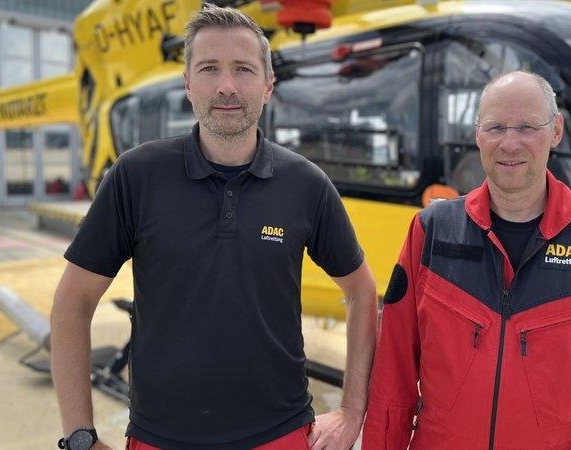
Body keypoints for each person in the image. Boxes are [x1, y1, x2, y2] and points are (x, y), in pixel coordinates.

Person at [50, 5, 377, 450]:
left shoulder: (306, 184)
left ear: (268, 85)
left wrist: (353, 411)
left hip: (279, 435)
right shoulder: (136, 176)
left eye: (243, 69)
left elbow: (361, 291)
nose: (226, 86)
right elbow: (73, 302)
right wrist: (80, 436)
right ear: (188, 83)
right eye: (209, 69)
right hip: (159, 437)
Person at [362, 71, 571, 449]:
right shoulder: (433, 230)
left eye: (527, 127)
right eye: (496, 128)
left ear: (556, 131)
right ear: (477, 135)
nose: (509, 143)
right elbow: (393, 370)